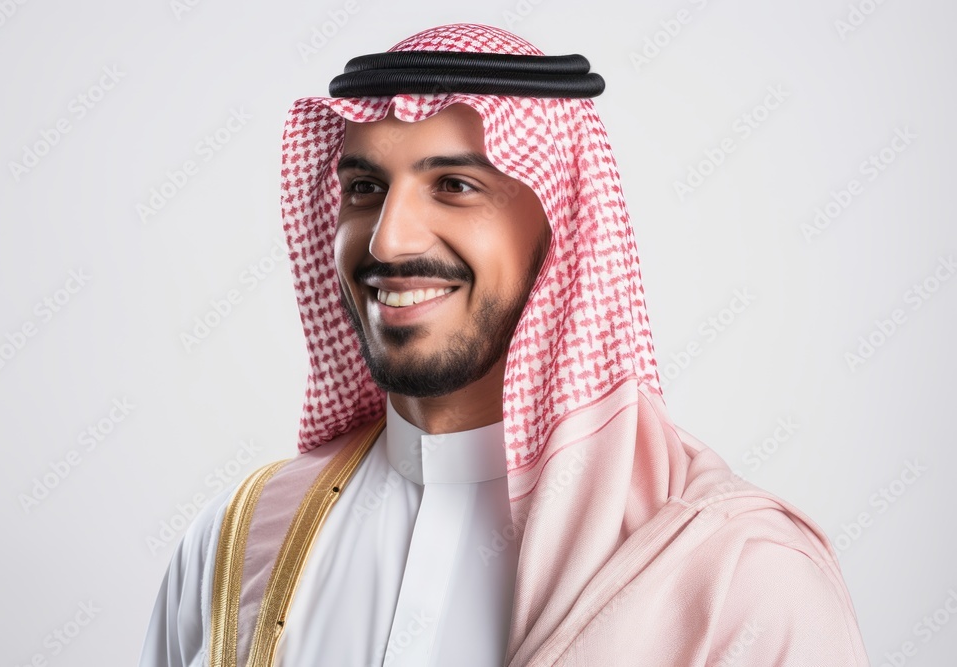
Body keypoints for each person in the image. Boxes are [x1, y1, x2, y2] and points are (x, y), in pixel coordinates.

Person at [140, 23, 869, 667]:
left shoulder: (737, 577)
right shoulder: (235, 544)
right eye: (365, 187)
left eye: (454, 184)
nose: (389, 238)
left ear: (562, 229)